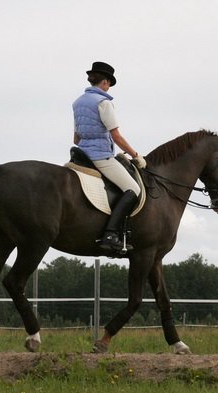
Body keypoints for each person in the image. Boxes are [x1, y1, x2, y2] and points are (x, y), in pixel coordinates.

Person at [72, 61, 146, 251]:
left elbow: (76, 138)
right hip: (100, 156)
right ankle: (111, 234)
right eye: (109, 84)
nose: (109, 87)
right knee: (133, 189)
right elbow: (116, 136)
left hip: (81, 155)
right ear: (105, 82)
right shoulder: (104, 103)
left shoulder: (78, 102)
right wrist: (135, 155)